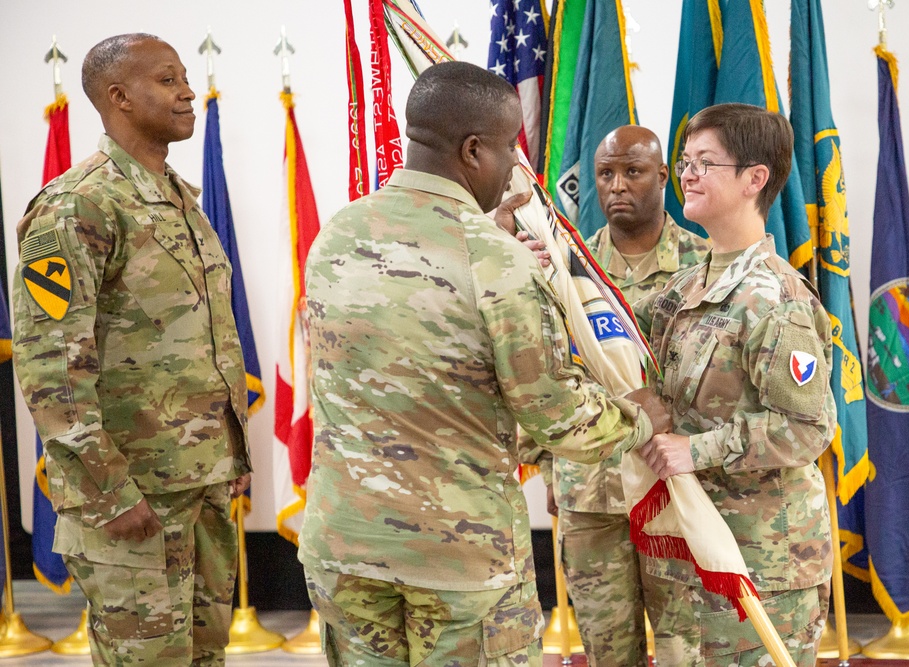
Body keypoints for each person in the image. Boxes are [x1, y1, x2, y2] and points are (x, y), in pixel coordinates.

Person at [298, 61, 668, 666]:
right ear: (473, 151)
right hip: (458, 562)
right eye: (507, 150)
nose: (512, 168)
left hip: (344, 547)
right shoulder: (496, 259)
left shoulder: (338, 234)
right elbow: (556, 417)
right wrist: (641, 417)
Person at [11, 34, 251, 666]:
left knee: (203, 656)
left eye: (185, 78)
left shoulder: (175, 197)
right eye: (169, 80)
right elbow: (52, 371)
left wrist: (231, 449)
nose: (188, 91)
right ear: (118, 97)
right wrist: (108, 490)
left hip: (198, 480)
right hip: (132, 491)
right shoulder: (77, 206)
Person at [637, 103, 834, 665]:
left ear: (755, 179)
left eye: (706, 162)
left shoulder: (775, 299)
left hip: (764, 560)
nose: (688, 174)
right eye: (685, 161)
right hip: (696, 549)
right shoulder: (685, 287)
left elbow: (807, 428)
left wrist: (694, 450)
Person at [542, 125, 710, 666]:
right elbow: (545, 375)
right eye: (605, 174)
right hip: (591, 492)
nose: (617, 186)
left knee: (687, 647)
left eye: (632, 172)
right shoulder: (569, 269)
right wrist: (550, 468)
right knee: (608, 651)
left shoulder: (704, 266)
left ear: (663, 177)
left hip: (672, 490)